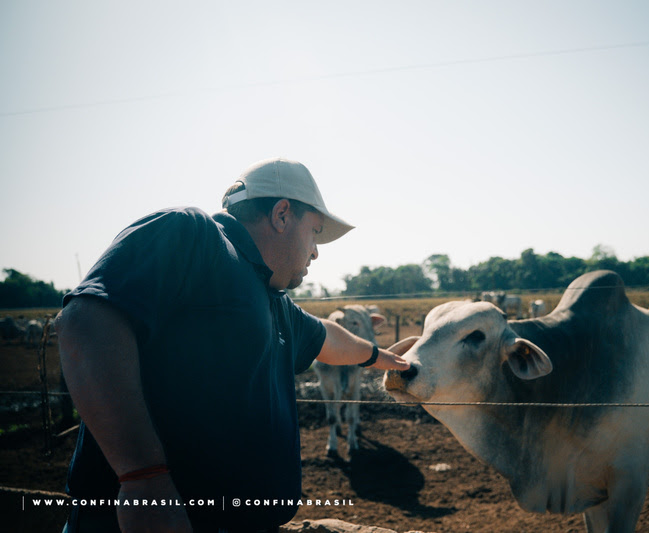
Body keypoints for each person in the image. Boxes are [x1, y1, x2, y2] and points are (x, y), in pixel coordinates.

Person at [56, 158, 410, 533]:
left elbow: (328, 337)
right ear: (282, 214)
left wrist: (381, 357)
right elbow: (85, 321)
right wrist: (143, 478)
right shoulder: (192, 233)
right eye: (315, 232)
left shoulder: (273, 300)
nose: (316, 252)